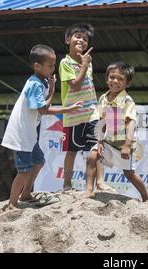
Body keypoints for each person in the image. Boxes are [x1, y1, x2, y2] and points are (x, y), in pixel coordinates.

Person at [1, 44, 83, 211]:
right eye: (51, 65)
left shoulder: (42, 82)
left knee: (38, 162)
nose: (53, 69)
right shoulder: (34, 84)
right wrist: (68, 109)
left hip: (29, 134)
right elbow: (44, 109)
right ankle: (12, 203)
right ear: (37, 66)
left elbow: (45, 103)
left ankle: (25, 194)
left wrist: (52, 88)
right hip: (21, 134)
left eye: (54, 65)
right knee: (24, 170)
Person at [83, 62, 148, 202]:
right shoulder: (103, 98)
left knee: (129, 174)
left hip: (124, 144)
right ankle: (89, 190)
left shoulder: (127, 101)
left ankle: (146, 196)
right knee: (92, 156)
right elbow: (102, 121)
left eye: (120, 79)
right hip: (108, 141)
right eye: (112, 77)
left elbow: (131, 123)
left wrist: (127, 146)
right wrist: (100, 141)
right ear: (107, 79)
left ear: (128, 83)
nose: (115, 81)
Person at [59, 23, 110, 193]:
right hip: (73, 115)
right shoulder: (65, 62)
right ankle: (67, 185)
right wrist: (85, 65)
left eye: (85, 38)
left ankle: (100, 183)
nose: (81, 40)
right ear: (67, 40)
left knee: (96, 148)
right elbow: (74, 85)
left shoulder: (87, 62)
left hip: (91, 114)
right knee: (71, 151)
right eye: (77, 36)